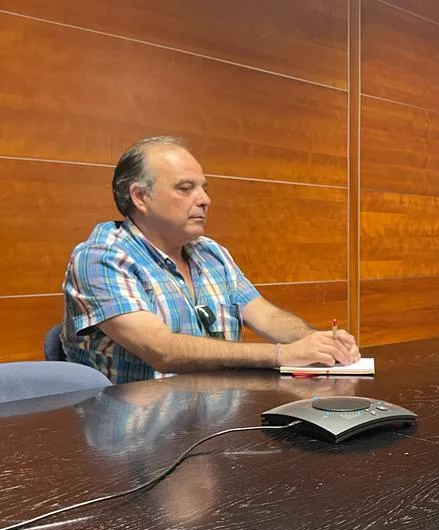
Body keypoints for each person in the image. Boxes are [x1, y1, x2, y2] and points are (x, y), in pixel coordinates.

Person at [62, 136, 358, 384]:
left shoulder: (211, 253)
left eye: (204, 188)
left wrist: (317, 342)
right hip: (137, 427)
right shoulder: (101, 258)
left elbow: (267, 317)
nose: (205, 200)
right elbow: (161, 350)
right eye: (185, 188)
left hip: (218, 417)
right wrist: (282, 355)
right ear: (140, 197)